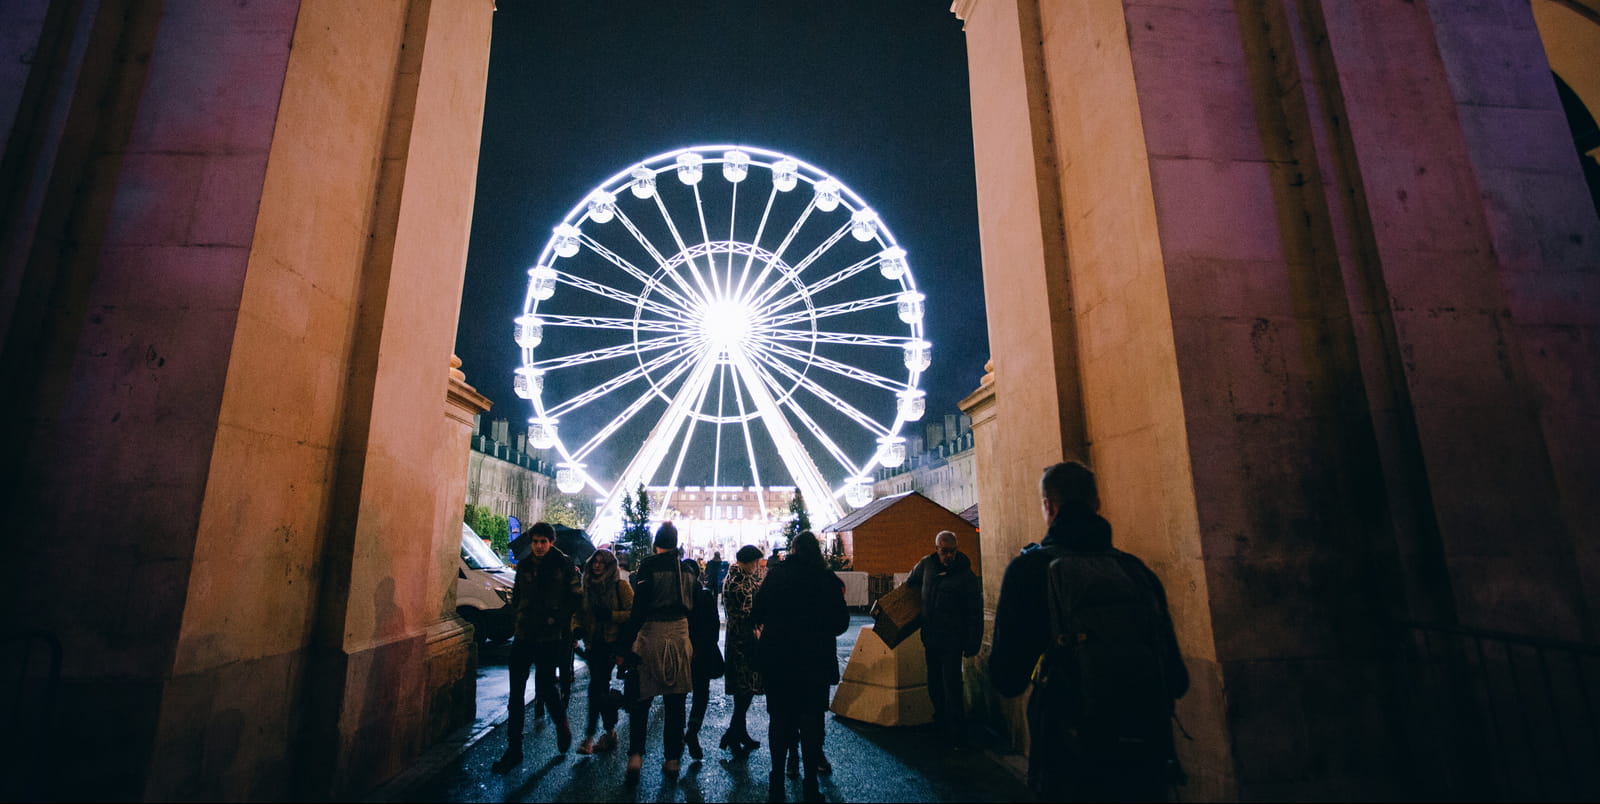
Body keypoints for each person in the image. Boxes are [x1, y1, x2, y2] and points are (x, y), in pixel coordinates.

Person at [990, 461, 1188, 801]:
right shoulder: (1136, 571)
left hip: (1069, 753)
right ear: (1097, 503)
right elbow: (1177, 679)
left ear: (1048, 505)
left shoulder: (1029, 570)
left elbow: (1006, 678)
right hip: (1142, 750)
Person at [753, 531, 849, 803]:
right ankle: (809, 784)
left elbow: (757, 611)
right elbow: (841, 622)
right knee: (812, 723)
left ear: (793, 549)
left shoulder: (777, 575)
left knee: (780, 721)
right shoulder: (825, 578)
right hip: (814, 660)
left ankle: (777, 782)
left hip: (779, 659)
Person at [493, 522, 582, 772]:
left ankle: (561, 724)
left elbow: (576, 596)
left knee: (545, 686)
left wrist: (558, 618)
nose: (539, 546)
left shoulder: (563, 565)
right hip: (524, 634)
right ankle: (514, 748)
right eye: (535, 542)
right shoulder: (524, 565)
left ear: (551, 542)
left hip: (550, 636)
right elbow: (518, 593)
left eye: (543, 541)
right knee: (515, 694)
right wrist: (519, 613)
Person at [621, 522, 698, 782]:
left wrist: (625, 645)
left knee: (641, 699)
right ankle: (673, 758)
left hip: (651, 635)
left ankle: (636, 755)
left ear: (656, 542)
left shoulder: (650, 566)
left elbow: (638, 609)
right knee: (675, 702)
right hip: (679, 635)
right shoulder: (689, 569)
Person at [904, 529, 983, 747]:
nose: (948, 556)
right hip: (931, 637)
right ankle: (941, 723)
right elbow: (911, 583)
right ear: (937, 549)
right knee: (935, 683)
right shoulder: (927, 566)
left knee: (951, 685)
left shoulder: (966, 577)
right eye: (944, 551)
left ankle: (956, 732)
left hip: (952, 639)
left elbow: (975, 611)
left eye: (952, 551)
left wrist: (972, 641)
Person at [573, 548, 632, 755]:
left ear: (609, 566)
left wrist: (611, 615)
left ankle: (591, 736)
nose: (597, 566)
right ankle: (609, 730)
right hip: (593, 643)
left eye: (602, 563)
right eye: (595, 562)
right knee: (599, 688)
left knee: (596, 687)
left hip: (612, 643)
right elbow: (579, 613)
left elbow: (632, 613)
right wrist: (577, 629)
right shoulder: (587, 587)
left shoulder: (620, 586)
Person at [719, 544, 766, 754]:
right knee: (745, 689)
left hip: (738, 637)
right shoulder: (740, 583)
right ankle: (733, 733)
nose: (757, 567)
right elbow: (749, 611)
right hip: (744, 640)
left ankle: (738, 732)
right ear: (748, 562)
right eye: (756, 563)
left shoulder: (735, 578)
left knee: (743, 691)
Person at [681, 557, 725, 761]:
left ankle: (678, 737)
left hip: (681, 651)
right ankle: (692, 730)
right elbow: (714, 628)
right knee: (701, 695)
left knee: (678, 696)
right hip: (701, 653)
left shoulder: (676, 597)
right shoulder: (705, 596)